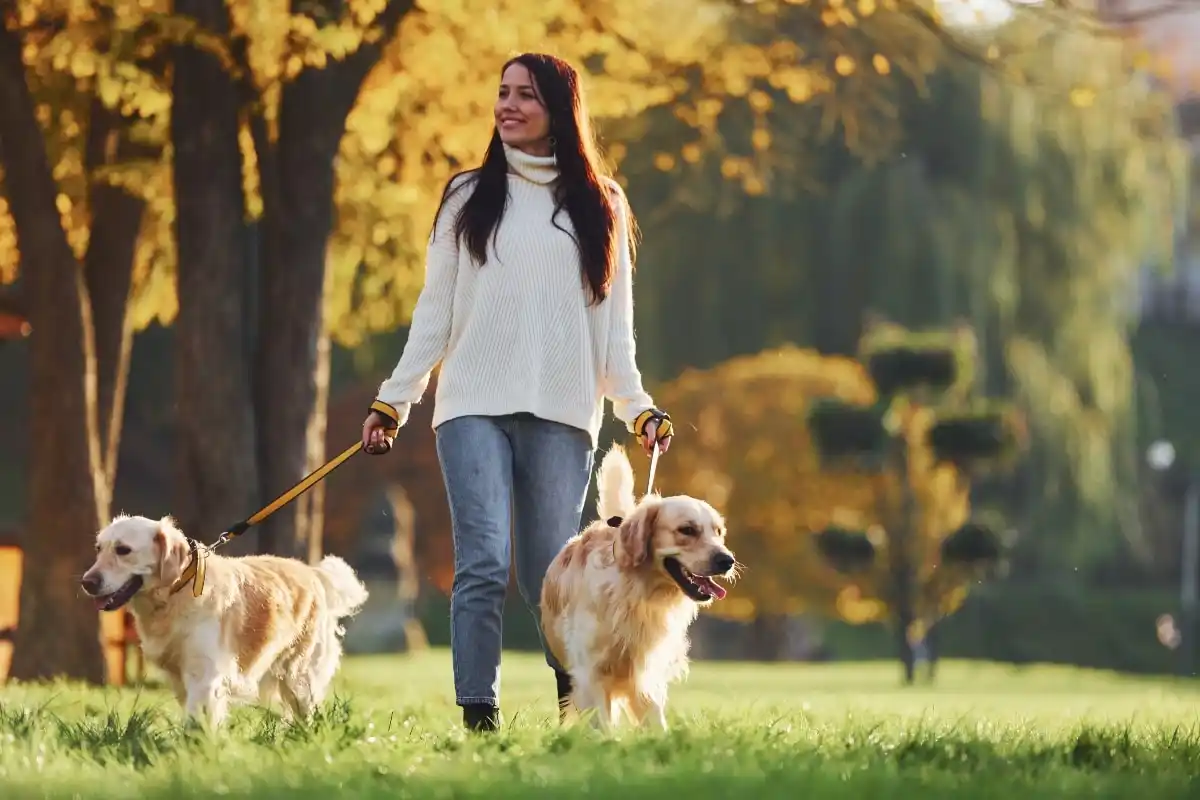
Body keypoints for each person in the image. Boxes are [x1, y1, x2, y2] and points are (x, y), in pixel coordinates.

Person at [360, 52, 673, 733]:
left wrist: (638, 408)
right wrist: (394, 399)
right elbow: (435, 313)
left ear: (558, 109)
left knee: (548, 574)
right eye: (502, 92)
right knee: (481, 562)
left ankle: (576, 705)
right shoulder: (467, 195)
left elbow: (614, 332)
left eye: (525, 95)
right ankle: (480, 718)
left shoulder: (603, 204)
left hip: (563, 411)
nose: (508, 105)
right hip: (471, 405)